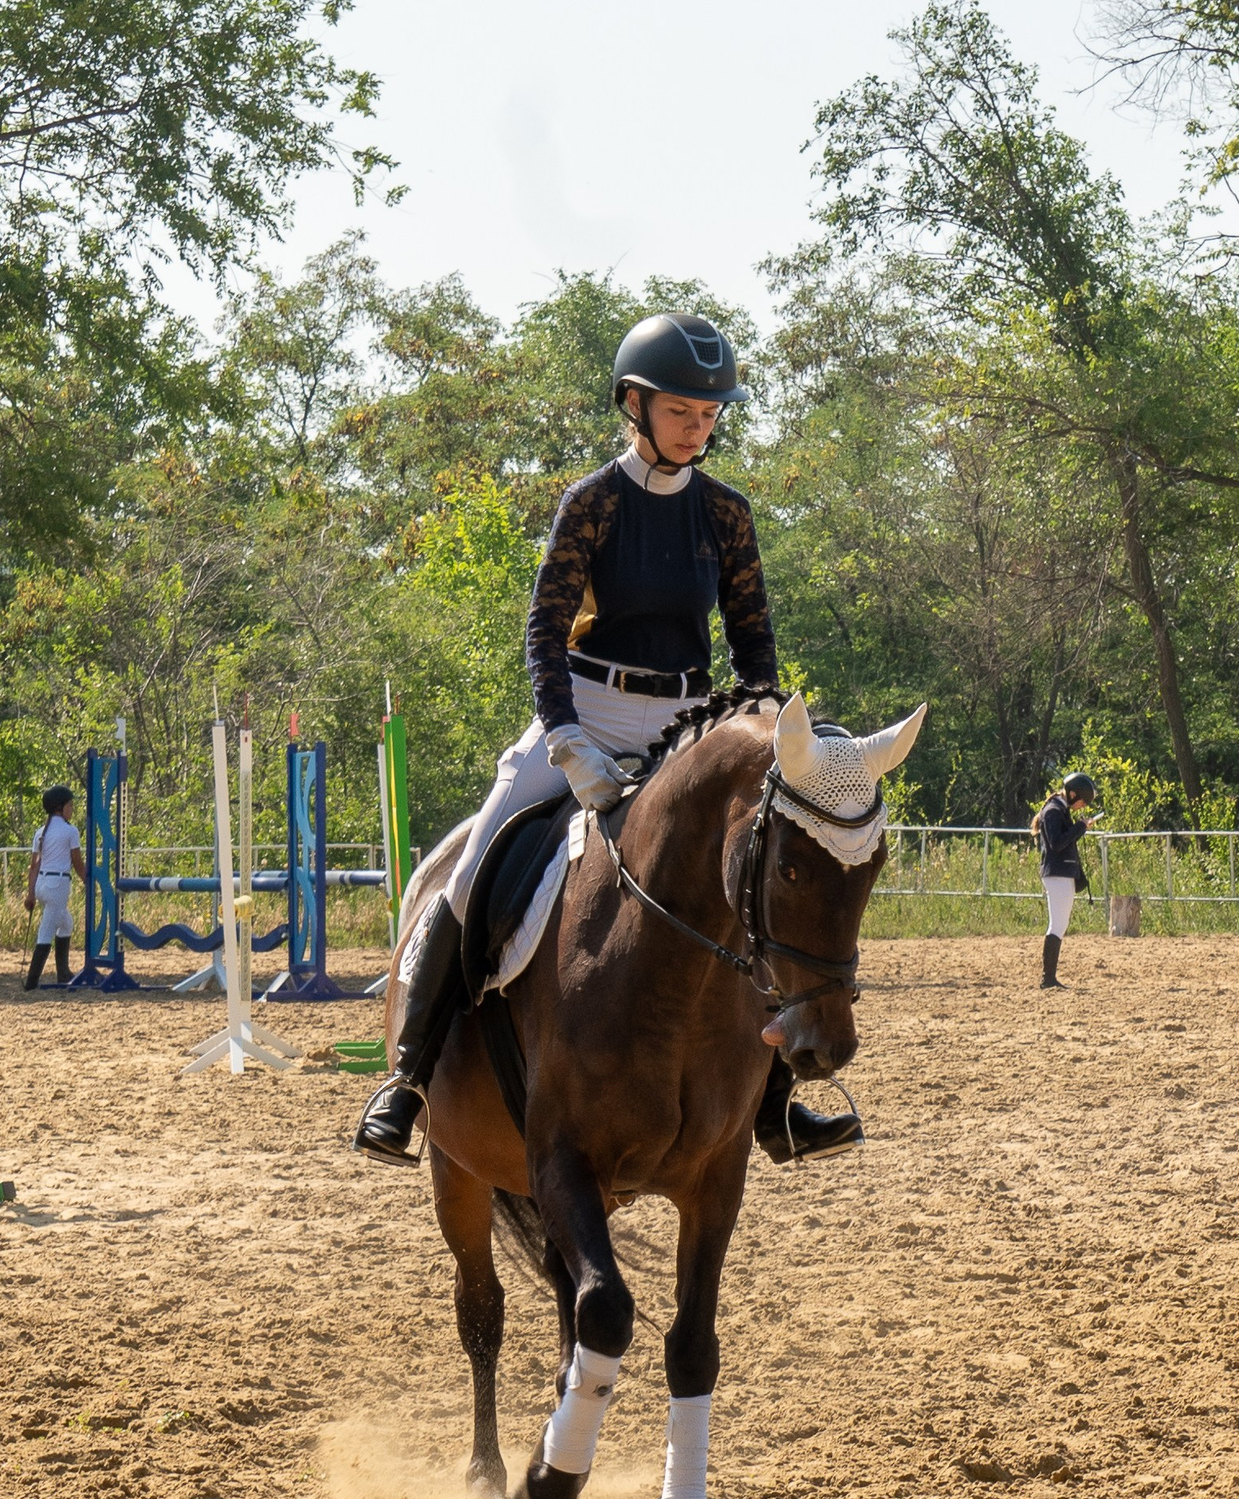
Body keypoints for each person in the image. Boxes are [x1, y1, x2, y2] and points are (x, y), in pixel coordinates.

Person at [354, 311, 864, 1168]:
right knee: (475, 870)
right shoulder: (590, 504)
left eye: (709, 416)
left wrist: (770, 736)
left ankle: (777, 1102)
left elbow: (754, 646)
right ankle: (406, 1081)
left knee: (750, 895)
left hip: (691, 729)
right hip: (587, 711)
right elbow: (544, 633)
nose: (698, 429)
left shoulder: (727, 516)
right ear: (634, 403)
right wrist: (563, 739)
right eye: (681, 413)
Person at [1033, 771, 1096, 988]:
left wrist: (1080, 827)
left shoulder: (1060, 810)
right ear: (1071, 794)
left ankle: (1049, 977)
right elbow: (1057, 843)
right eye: (1082, 801)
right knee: (1057, 925)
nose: (1083, 806)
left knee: (1060, 924)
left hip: (1062, 873)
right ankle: (1048, 978)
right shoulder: (1052, 811)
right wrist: (1080, 827)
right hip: (1057, 873)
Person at [24, 786, 85, 990]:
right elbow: (77, 862)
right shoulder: (70, 831)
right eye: (70, 805)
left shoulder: (40, 832)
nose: (72, 809)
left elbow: (34, 866)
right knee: (46, 930)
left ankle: (63, 972)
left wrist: (31, 893)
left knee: (66, 923)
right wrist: (88, 880)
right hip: (58, 884)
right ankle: (32, 980)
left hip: (42, 884)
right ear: (60, 807)